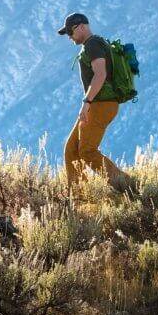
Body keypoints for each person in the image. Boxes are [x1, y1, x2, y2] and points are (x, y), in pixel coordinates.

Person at [57, 12, 129, 189]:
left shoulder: (93, 44)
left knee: (87, 151)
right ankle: (80, 197)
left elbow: (100, 74)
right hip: (98, 104)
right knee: (71, 149)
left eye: (70, 32)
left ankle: (129, 186)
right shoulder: (94, 44)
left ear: (81, 27)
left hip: (100, 104)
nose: (69, 37)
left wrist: (86, 102)